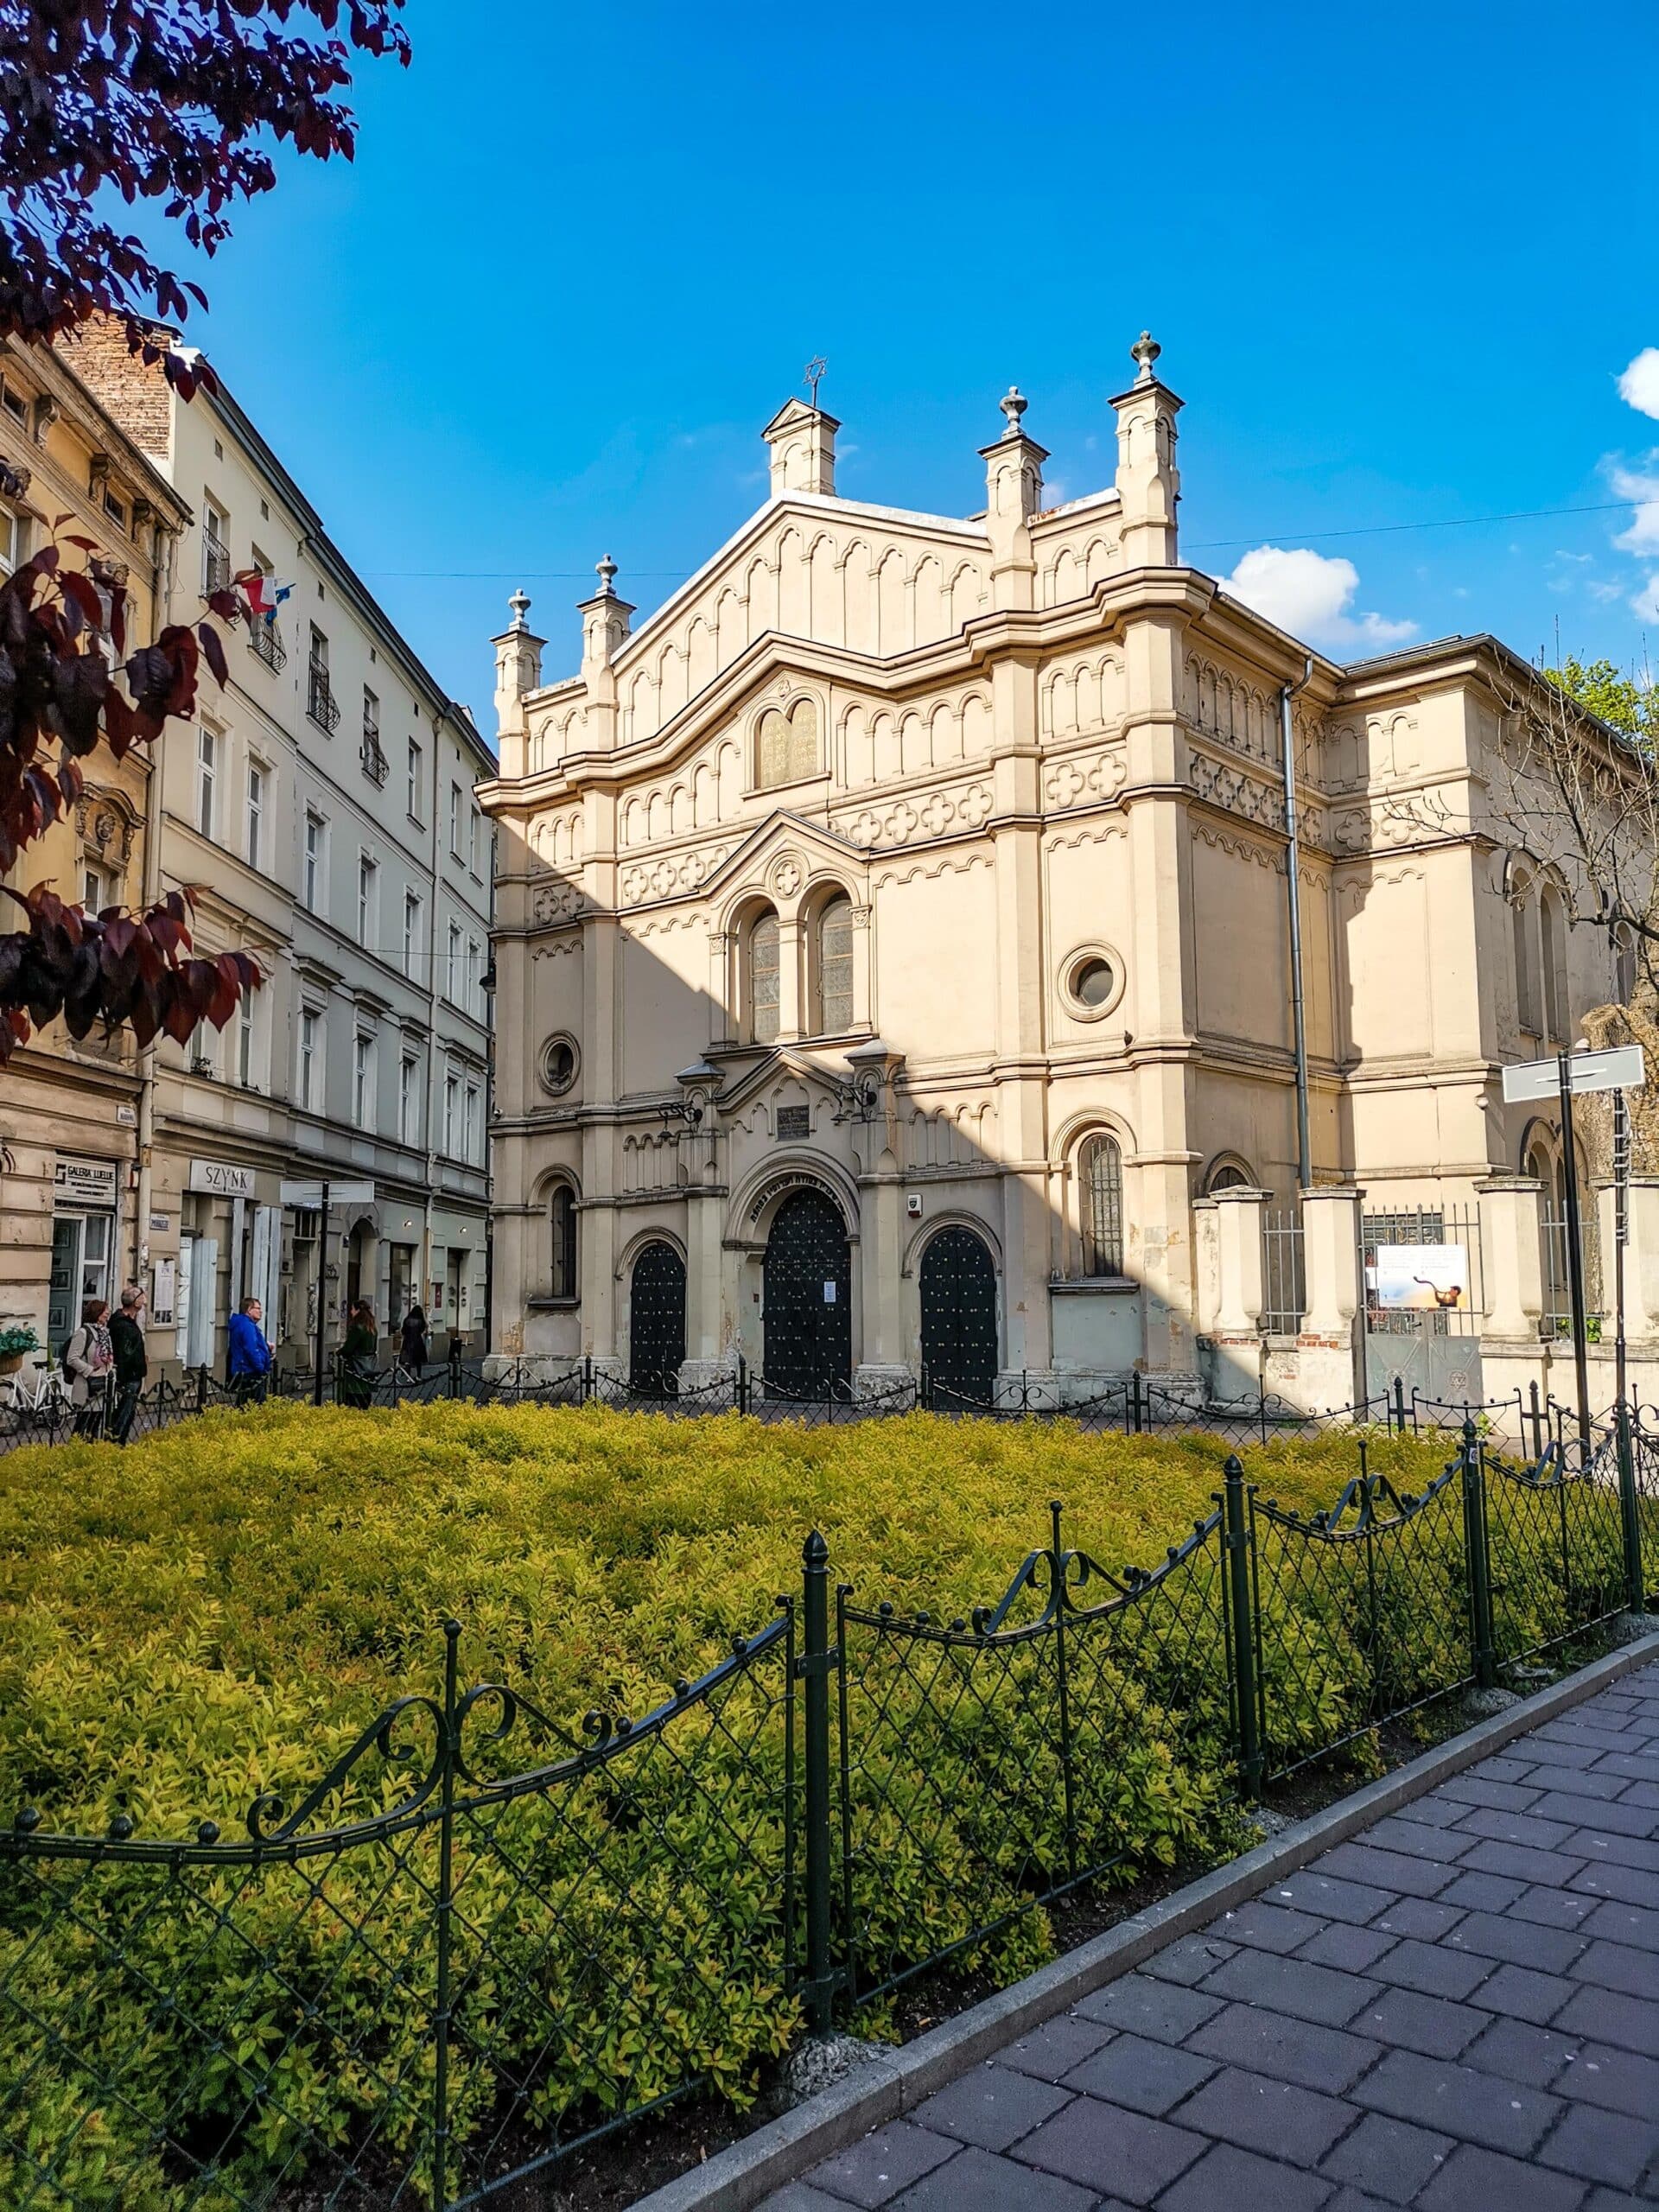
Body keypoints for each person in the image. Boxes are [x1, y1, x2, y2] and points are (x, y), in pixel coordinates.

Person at [63, 1296, 114, 1438]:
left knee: (95, 1428)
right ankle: (74, 1454)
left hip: (101, 1385)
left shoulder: (104, 1333)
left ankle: (91, 1454)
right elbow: (72, 1358)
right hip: (86, 1387)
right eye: (105, 1311)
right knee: (82, 1427)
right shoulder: (83, 1333)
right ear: (96, 1313)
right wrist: (90, 1371)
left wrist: (109, 1370)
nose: (108, 1314)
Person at [108, 1283, 148, 1445]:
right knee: (124, 1412)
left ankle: (119, 1440)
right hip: (128, 1375)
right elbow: (126, 1352)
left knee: (128, 1411)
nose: (144, 1299)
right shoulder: (122, 1324)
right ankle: (116, 1441)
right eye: (141, 1296)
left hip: (133, 1374)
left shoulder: (128, 1321)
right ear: (134, 1302)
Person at [227, 1295, 273, 1407]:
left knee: (244, 1405)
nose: (261, 1311)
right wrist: (261, 1368)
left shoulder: (242, 1324)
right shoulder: (247, 1326)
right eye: (258, 1308)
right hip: (250, 1372)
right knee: (255, 1408)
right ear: (249, 1310)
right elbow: (251, 1349)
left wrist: (266, 1348)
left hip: (244, 1370)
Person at [340, 1300, 378, 1408]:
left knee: (354, 1399)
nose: (351, 1312)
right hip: (369, 1365)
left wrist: (339, 1352)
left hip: (356, 1367)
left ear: (358, 1311)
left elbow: (348, 1349)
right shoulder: (372, 1328)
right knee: (365, 1397)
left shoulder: (357, 1328)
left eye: (352, 1309)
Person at [398, 1302, 429, 1376]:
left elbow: (403, 1331)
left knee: (407, 1359)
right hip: (418, 1341)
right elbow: (422, 1329)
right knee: (418, 1360)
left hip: (407, 1341)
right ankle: (418, 1375)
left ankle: (408, 1375)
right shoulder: (420, 1320)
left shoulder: (407, 1319)